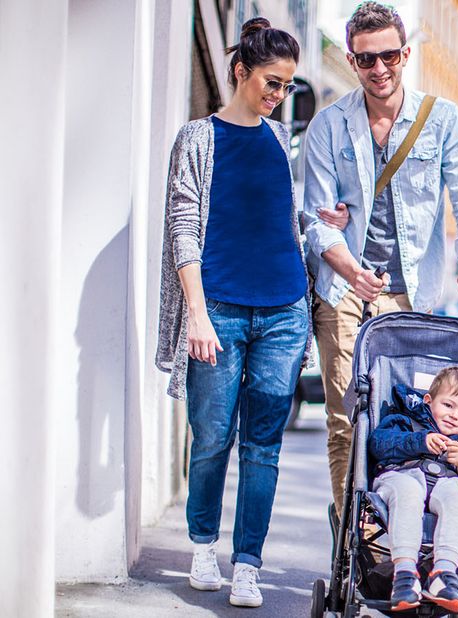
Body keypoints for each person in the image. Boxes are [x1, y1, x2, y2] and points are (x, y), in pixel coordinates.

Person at [301, 1, 458, 512]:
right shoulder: (328, 127)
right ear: (351, 60)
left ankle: (395, 528)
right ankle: (356, 543)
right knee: (346, 421)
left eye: (388, 56)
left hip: (412, 297)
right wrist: (350, 270)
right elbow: (316, 221)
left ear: (405, 53)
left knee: (400, 419)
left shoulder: (442, 120)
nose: (379, 69)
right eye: (366, 59)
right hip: (344, 292)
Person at [155, 17, 311, 608]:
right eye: (271, 82)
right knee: (213, 437)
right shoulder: (198, 137)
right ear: (241, 72)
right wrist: (195, 313)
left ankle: (248, 562)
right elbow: (184, 225)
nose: (277, 95)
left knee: (264, 445)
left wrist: (323, 227)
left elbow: (281, 221)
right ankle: (202, 546)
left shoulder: (277, 141)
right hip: (217, 307)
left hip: (283, 310)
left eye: (287, 86)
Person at [368, 367, 458, 613]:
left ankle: (443, 573)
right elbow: (379, 445)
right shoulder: (404, 420)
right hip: (400, 476)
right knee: (408, 491)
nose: (455, 416)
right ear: (428, 401)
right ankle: (405, 575)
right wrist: (419, 441)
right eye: (448, 405)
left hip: (445, 483)